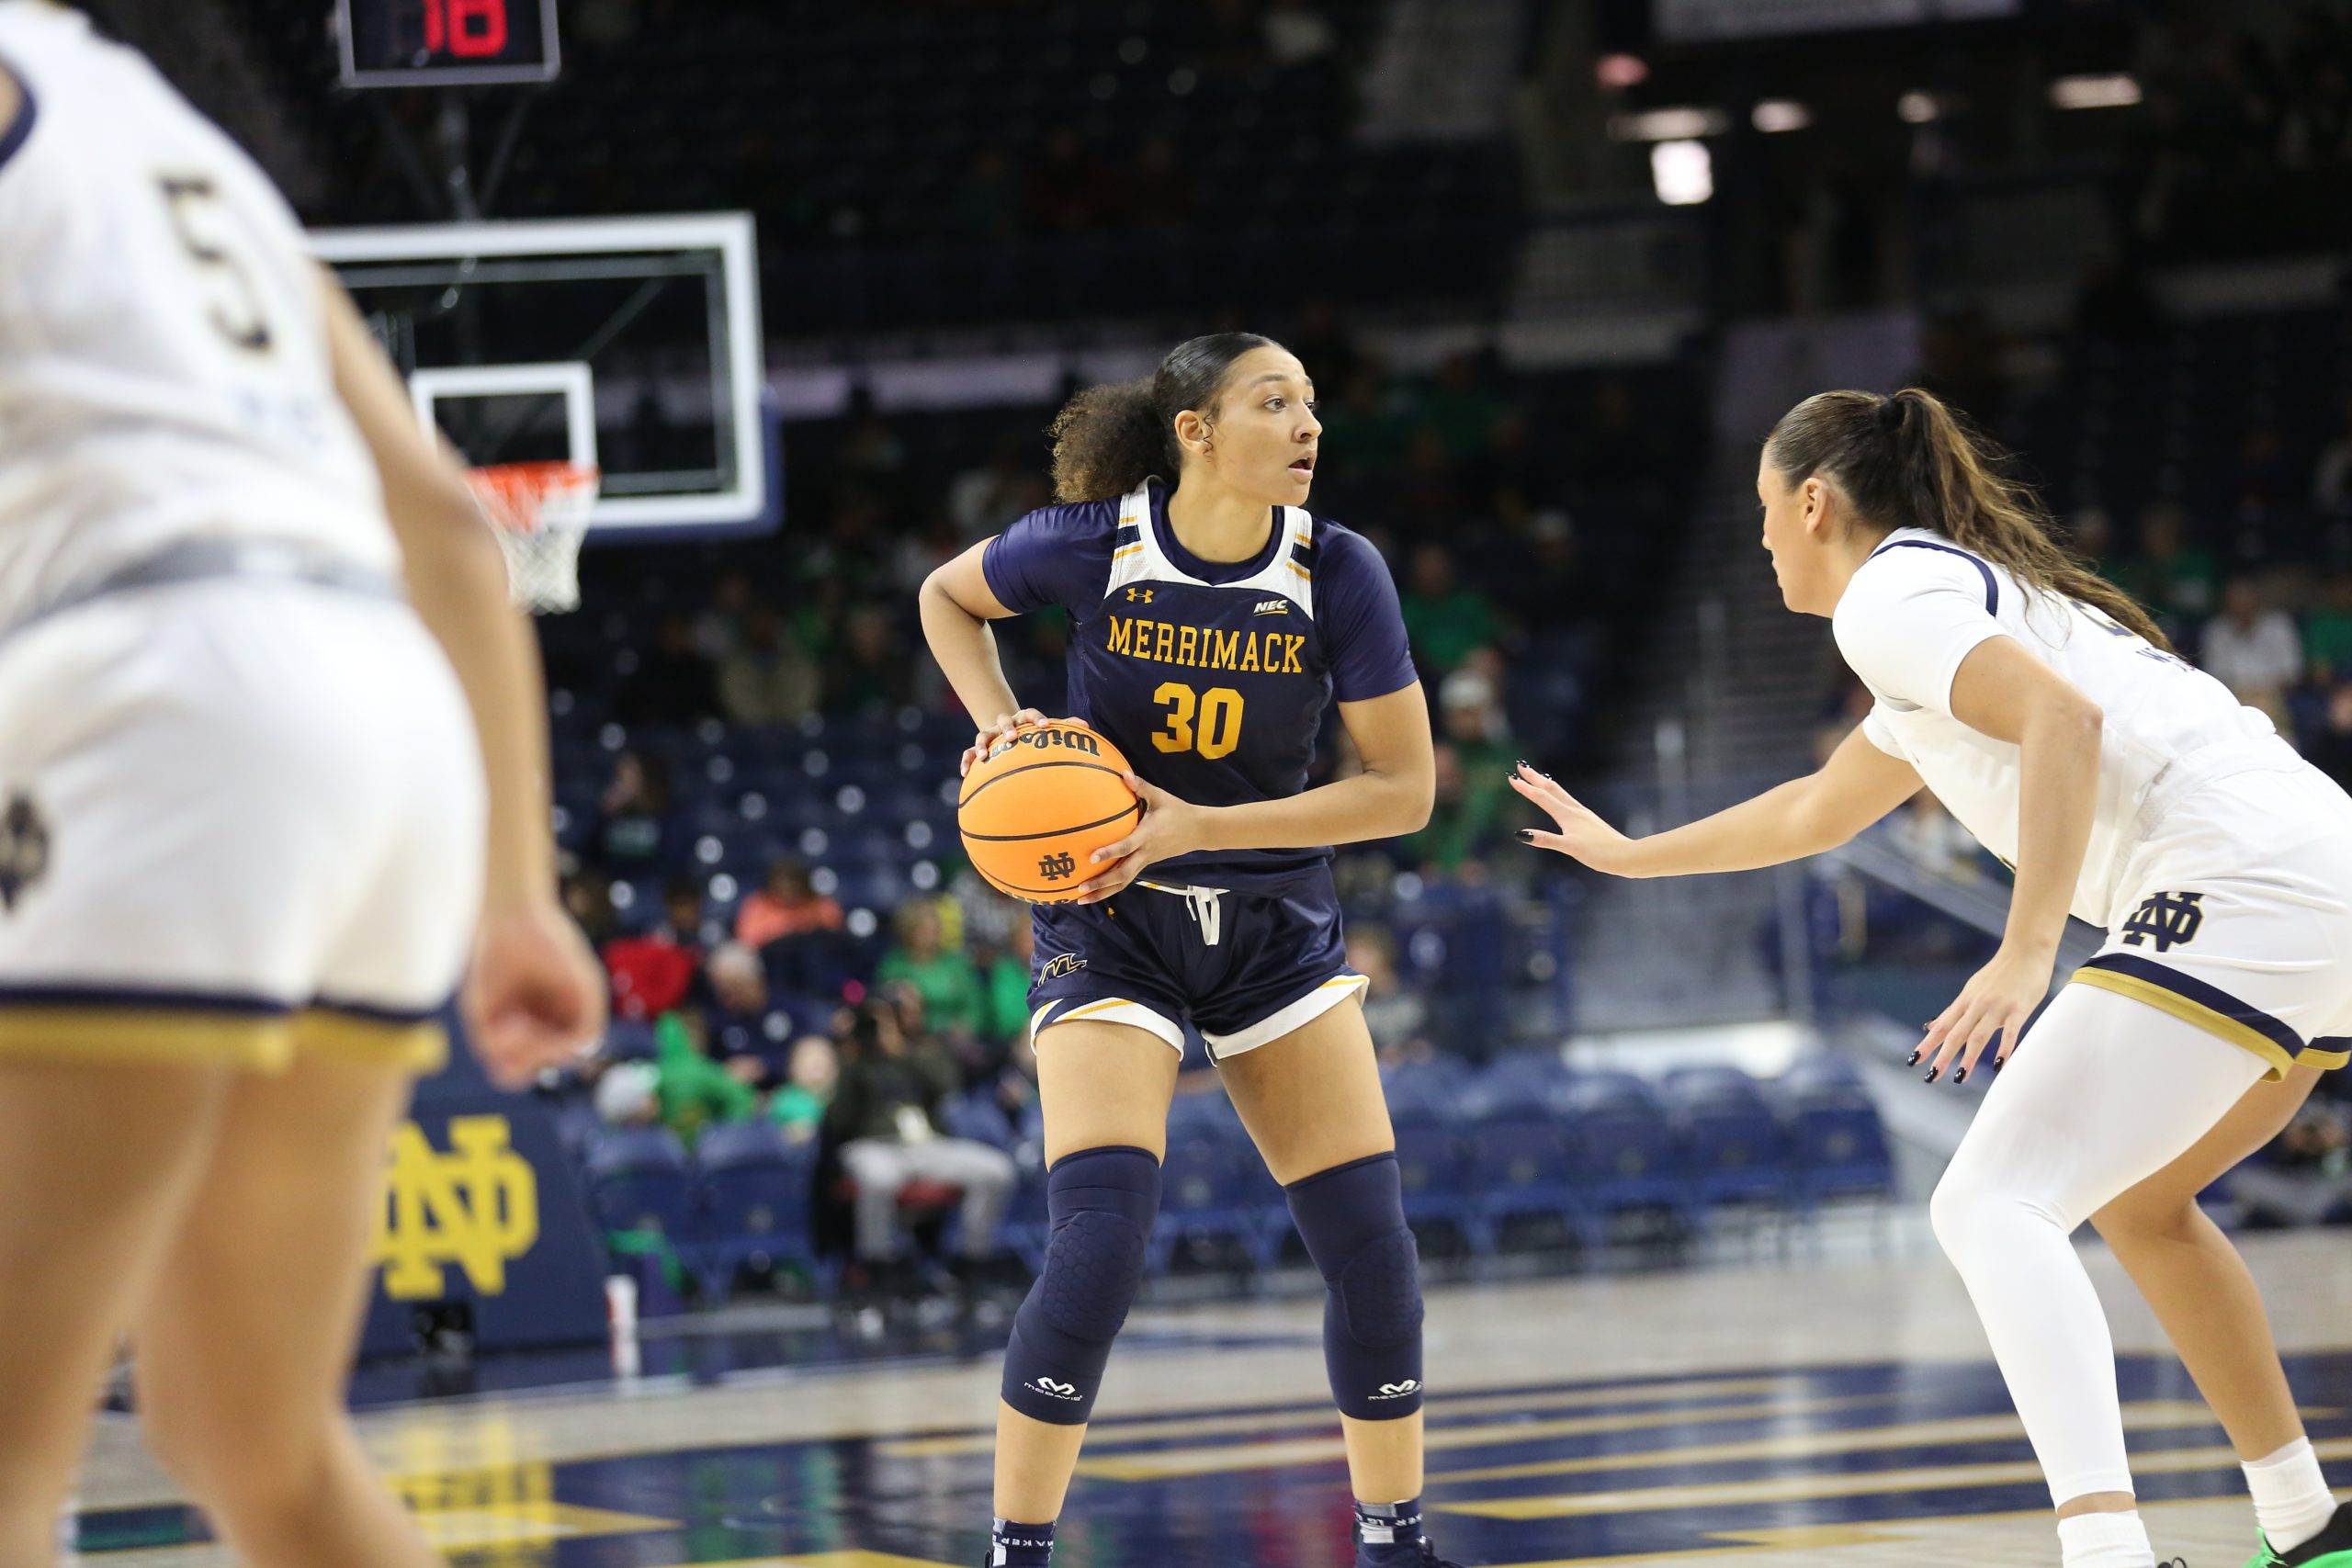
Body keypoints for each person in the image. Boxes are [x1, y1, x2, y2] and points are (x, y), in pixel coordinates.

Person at [1513, 387, 2352, 1568]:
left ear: (1814, 503)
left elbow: (2061, 724)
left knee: (1987, 1204)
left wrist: (2024, 952)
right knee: (2140, 1206)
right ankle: (2308, 1531)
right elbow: (1815, 808)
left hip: (2238, 881)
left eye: (1764, 512)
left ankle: (2105, 1555)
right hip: (2316, 876)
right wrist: (1632, 855)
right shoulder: (1945, 610)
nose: (1759, 540)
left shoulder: (1890, 598)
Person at [0, 8, 606, 1565]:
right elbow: (449, 522)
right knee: (248, 1435)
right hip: (382, 722)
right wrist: (517, 895)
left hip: (164, 691)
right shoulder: (176, 138)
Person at [918, 333, 1449, 1568]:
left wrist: (1204, 827)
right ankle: (1018, 1549)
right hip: (1111, 923)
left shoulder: (1341, 569)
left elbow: (1404, 790)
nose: (1309, 423)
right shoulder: (1096, 539)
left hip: (1271, 926)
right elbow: (947, 596)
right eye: (1276, 401)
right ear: (1196, 431)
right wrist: (1008, 732)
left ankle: (1394, 1543)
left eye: (1314, 402)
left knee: (1374, 1253)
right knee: (1100, 1240)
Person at [822, 999, 1015, 1283]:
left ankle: (969, 1260)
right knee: (879, 1179)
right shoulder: (853, 1060)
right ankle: (879, 1264)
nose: (883, 1030)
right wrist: (853, 1056)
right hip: (872, 1146)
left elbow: (948, 1086)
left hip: (926, 1145)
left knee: (997, 1170)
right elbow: (838, 1120)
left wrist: (902, 1051)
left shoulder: (922, 1052)